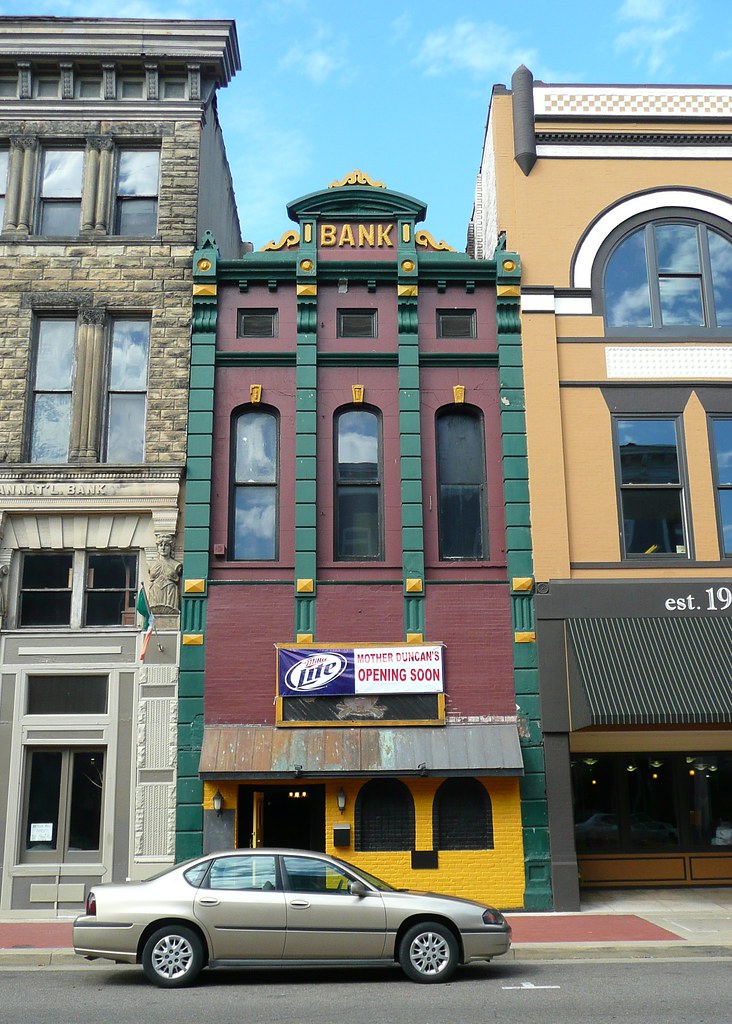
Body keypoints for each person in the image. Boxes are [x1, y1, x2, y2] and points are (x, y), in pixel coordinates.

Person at [147, 535, 182, 612]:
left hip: (170, 593)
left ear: (171, 548)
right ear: (157, 548)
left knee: (171, 613)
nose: (163, 548)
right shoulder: (151, 565)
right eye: (160, 545)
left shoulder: (176, 565)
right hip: (155, 593)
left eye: (166, 545)